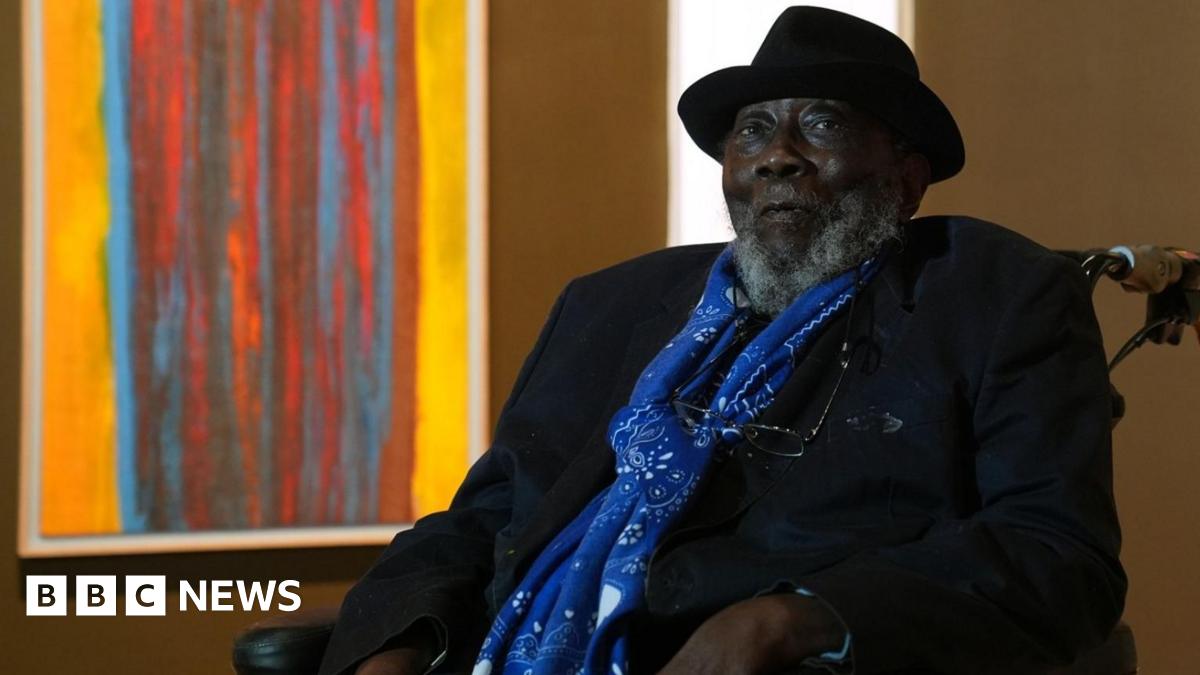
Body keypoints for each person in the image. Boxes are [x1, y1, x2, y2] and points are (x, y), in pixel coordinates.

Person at [320, 7, 1126, 675]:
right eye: (751, 132)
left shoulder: (993, 297)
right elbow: (492, 511)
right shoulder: (610, 306)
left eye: (820, 123)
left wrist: (797, 619)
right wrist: (403, 637)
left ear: (906, 178)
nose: (777, 155)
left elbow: (1056, 553)